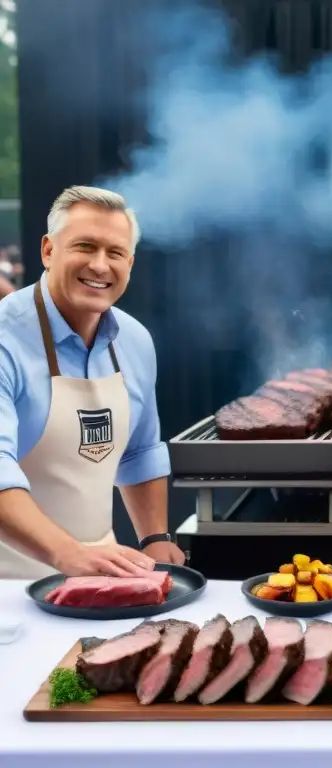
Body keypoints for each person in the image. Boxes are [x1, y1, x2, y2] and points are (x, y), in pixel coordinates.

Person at [0, 186, 185, 579]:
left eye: (115, 253)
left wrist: (154, 538)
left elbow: (141, 451)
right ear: (49, 251)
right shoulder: (6, 338)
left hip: (98, 576)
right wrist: (67, 554)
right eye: (85, 246)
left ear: (130, 263)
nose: (100, 266)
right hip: (8, 588)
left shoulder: (134, 340)